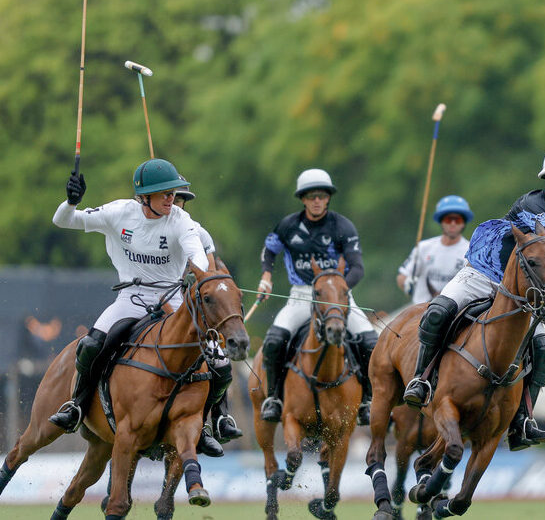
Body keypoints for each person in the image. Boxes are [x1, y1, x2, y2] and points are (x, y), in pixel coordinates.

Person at [402, 146, 545, 450]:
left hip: (518, 295)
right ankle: (421, 379)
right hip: (483, 273)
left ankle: (523, 421)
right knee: (438, 311)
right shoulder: (532, 203)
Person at [49, 159, 219, 454]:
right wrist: (71, 202)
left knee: (216, 354)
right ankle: (76, 405)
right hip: (131, 298)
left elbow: (198, 255)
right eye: (164, 193)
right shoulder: (119, 213)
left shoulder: (180, 220)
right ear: (144, 197)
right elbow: (63, 221)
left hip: (172, 299)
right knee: (91, 344)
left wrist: (200, 273)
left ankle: (213, 421)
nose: (171, 198)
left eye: (172, 192)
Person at [256, 168, 378, 425]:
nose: (317, 201)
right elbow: (269, 250)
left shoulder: (342, 226)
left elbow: (357, 267)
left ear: (328, 198)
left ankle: (367, 400)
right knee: (274, 340)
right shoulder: (289, 226)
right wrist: (266, 276)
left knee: (370, 342)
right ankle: (274, 398)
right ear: (303, 198)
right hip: (302, 295)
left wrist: (338, 289)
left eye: (322, 196)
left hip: (339, 296)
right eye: (311, 196)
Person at [172, 179, 243, 455]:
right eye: (170, 198)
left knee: (220, 361)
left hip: (186, 304)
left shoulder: (197, 233)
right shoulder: (144, 226)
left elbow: (210, 275)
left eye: (179, 200)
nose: (175, 204)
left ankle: (218, 417)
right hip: (146, 297)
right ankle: (81, 403)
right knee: (106, 340)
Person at [396, 195, 473, 304]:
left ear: (464, 223)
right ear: (441, 221)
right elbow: (402, 276)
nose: (453, 223)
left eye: (458, 220)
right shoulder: (424, 247)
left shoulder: (471, 252)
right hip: (419, 312)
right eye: (448, 219)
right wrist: (407, 284)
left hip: (454, 313)